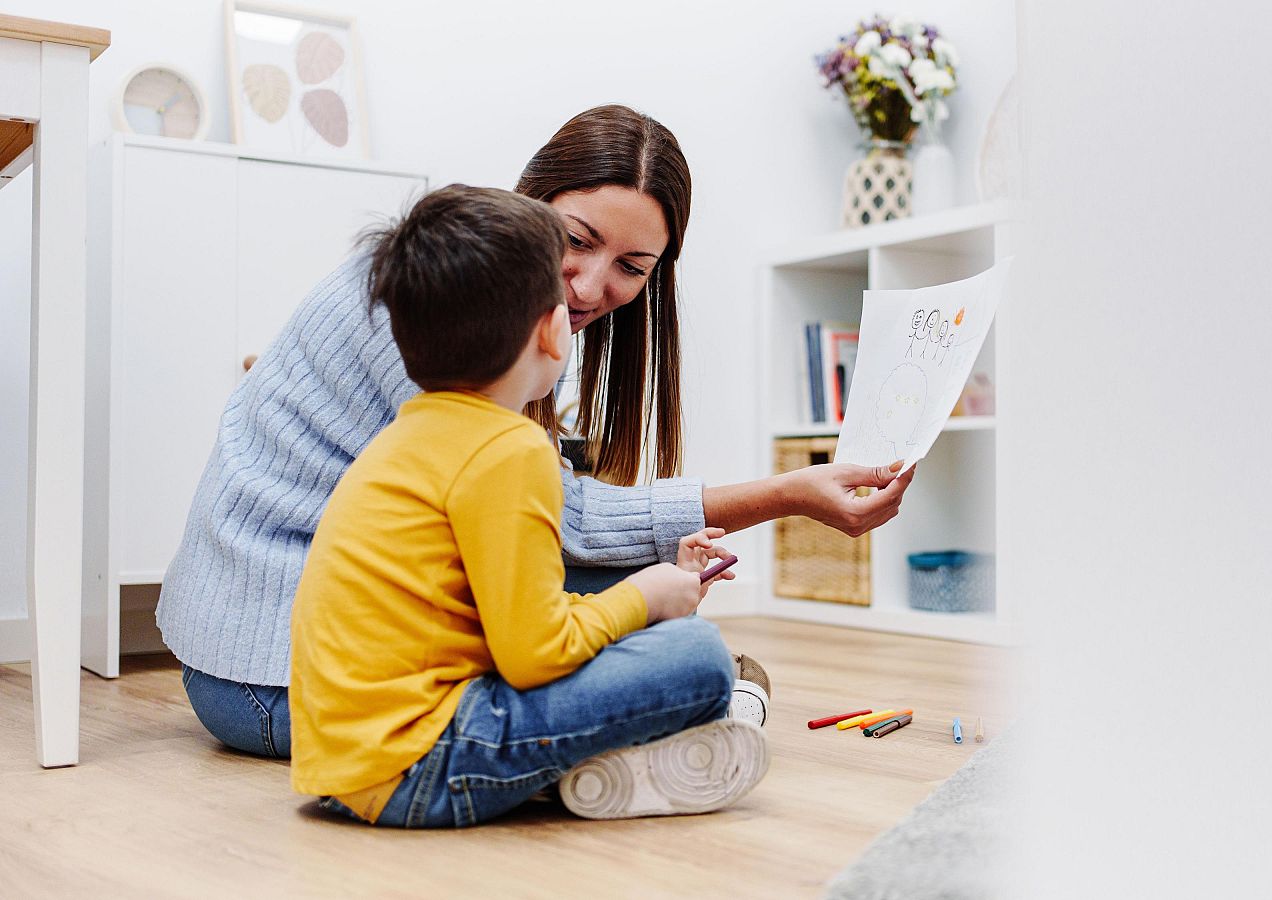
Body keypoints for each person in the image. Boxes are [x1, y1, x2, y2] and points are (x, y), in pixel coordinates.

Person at [158, 104, 915, 759]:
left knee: (641, 597)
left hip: (326, 647)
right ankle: (671, 708)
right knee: (686, 651)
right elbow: (567, 524)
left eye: (631, 267)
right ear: (533, 199)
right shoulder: (436, 306)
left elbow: (543, 526)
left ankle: (664, 694)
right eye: (576, 239)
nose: (590, 286)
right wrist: (785, 494)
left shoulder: (486, 301)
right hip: (273, 676)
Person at [292, 183, 767, 826]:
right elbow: (535, 654)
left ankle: (599, 765)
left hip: (349, 770)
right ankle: (624, 753)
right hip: (422, 767)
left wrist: (639, 598)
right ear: (550, 329)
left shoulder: (407, 437)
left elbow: (515, 614)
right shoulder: (509, 449)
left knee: (647, 629)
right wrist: (644, 599)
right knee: (699, 659)